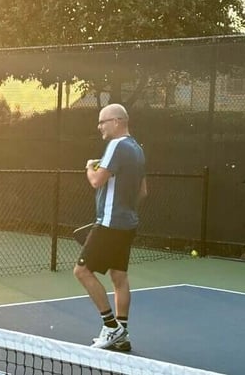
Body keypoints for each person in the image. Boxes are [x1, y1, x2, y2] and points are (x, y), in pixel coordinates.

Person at [74, 103, 147, 351]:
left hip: (109, 223)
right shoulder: (138, 149)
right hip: (127, 224)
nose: (99, 127)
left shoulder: (116, 146)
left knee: (81, 271)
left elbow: (96, 181)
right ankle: (122, 334)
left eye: (102, 122)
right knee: (119, 277)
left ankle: (111, 326)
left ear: (116, 121)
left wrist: (88, 166)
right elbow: (143, 191)